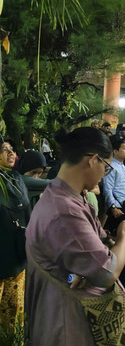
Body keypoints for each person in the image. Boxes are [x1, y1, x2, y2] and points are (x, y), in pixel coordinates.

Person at [25, 127, 125, 344]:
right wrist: (123, 236)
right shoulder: (65, 210)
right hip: (67, 323)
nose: (105, 175)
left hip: (62, 311)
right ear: (92, 160)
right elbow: (107, 271)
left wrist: (79, 274)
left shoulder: (66, 198)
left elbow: (67, 265)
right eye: (106, 167)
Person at [0, 139, 30, 332]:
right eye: (4, 150)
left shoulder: (16, 179)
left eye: (12, 150)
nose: (11, 153)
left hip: (16, 263)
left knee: (13, 321)